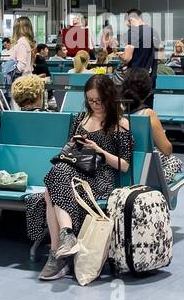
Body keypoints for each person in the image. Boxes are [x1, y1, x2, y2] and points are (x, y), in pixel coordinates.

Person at [36, 74, 132, 281]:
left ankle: (57, 255)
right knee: (57, 177)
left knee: (50, 189)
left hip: (99, 178)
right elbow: (70, 149)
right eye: (90, 100)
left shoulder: (120, 124)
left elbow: (124, 165)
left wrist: (99, 150)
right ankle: (66, 238)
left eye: (99, 100)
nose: (95, 104)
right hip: (74, 170)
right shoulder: (81, 118)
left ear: (109, 97)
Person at [121, 69, 181, 184]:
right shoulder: (147, 114)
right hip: (144, 172)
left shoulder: (116, 112)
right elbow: (167, 150)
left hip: (120, 168)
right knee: (174, 161)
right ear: (148, 92)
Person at [120, 8, 159, 74]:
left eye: (127, 24)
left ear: (130, 19)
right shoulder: (154, 32)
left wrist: (120, 56)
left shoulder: (133, 31)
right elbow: (159, 56)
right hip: (151, 76)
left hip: (136, 76)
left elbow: (127, 58)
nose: (128, 26)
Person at [5, 16, 35, 85]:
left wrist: (11, 73)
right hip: (25, 80)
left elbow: (21, 66)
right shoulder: (25, 42)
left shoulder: (22, 43)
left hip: (21, 82)